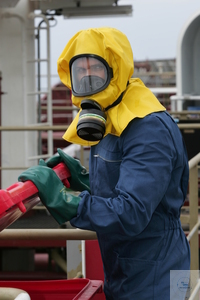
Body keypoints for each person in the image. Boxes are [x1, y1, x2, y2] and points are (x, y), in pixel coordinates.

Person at [18, 27, 190, 299]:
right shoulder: (111, 117)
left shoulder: (147, 129)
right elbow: (128, 185)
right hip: (129, 269)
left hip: (156, 273)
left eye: (96, 67)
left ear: (116, 69)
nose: (87, 76)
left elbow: (131, 212)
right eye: (80, 69)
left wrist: (66, 200)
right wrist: (84, 181)